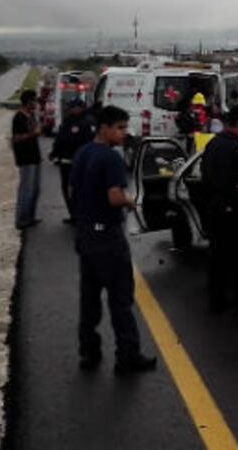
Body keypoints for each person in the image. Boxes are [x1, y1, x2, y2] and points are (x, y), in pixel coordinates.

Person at [69, 106, 157, 374]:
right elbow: (114, 197)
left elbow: (72, 189)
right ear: (104, 128)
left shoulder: (83, 152)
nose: (124, 133)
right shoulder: (110, 158)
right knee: (120, 300)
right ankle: (128, 357)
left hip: (85, 235)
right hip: (108, 237)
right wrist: (130, 203)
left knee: (89, 299)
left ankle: (89, 352)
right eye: (119, 127)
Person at [201, 104, 238, 319]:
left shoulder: (214, 144)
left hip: (216, 210)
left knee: (218, 257)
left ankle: (217, 301)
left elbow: (205, 177)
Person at [49, 98, 95, 224]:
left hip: (79, 162)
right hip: (66, 161)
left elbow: (87, 142)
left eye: (72, 107)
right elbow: (60, 139)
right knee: (67, 188)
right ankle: (74, 214)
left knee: (79, 189)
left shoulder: (86, 122)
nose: (70, 109)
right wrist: (54, 152)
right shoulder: (68, 121)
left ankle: (80, 214)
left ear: (79, 108)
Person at [11, 89, 42, 230]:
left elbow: (36, 130)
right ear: (28, 101)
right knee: (26, 190)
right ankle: (21, 219)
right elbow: (16, 139)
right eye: (34, 100)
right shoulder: (18, 117)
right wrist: (32, 134)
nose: (36, 103)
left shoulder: (31, 115)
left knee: (35, 189)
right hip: (25, 157)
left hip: (35, 156)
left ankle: (30, 216)